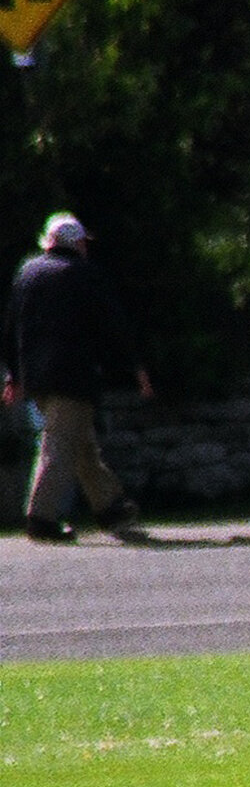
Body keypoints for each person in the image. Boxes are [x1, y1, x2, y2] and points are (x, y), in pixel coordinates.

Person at [6, 214, 156, 546]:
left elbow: (11, 326)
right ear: (77, 244)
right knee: (59, 445)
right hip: (72, 375)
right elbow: (113, 325)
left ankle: (110, 508)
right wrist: (136, 367)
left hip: (36, 377)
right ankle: (40, 519)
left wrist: (14, 376)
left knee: (80, 442)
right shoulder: (84, 276)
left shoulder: (27, 273)